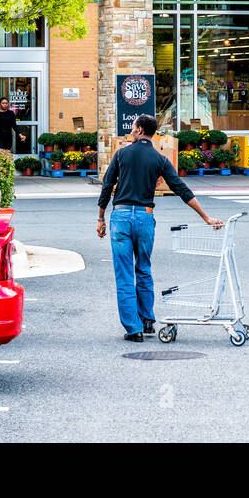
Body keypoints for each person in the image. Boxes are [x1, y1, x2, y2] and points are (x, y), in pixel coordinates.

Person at [97, 114, 222, 342]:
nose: (131, 131)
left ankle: (133, 329)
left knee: (124, 274)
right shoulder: (159, 159)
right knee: (143, 268)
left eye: (133, 127)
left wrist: (100, 218)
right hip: (145, 218)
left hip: (121, 217)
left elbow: (107, 186)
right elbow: (181, 189)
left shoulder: (122, 154)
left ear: (140, 130)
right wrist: (205, 217)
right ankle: (147, 320)